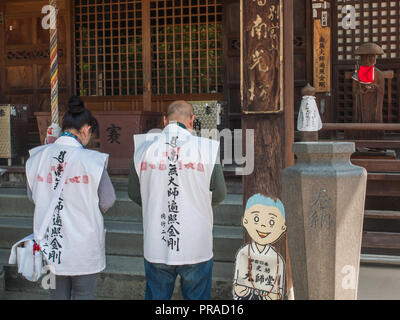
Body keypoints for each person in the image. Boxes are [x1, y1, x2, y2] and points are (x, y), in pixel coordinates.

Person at [128, 100, 226, 300]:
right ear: (192, 120)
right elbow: (220, 194)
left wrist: (156, 202)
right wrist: (196, 202)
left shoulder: (143, 149)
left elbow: (134, 193)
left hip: (157, 240)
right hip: (196, 243)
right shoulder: (206, 149)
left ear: (165, 120)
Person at [25, 95, 116, 300]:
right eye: (90, 133)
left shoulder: (37, 157)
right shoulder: (92, 160)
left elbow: (32, 196)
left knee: (56, 294)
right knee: (84, 294)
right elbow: (108, 200)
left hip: (50, 240)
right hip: (83, 242)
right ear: (85, 129)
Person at [233, 194, 286, 300]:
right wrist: (239, 291)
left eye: (271, 222)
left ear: (282, 228)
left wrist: (275, 296)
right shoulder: (243, 253)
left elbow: (278, 289)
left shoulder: (277, 259)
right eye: (256, 219)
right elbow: (238, 282)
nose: (263, 226)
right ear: (245, 221)